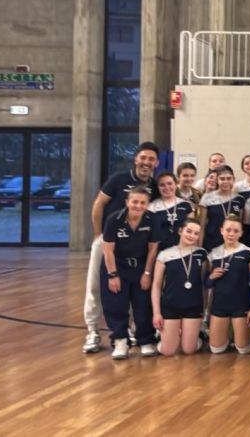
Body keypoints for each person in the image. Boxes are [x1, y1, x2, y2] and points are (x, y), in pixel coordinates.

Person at [83, 141, 159, 354]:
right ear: (136, 159)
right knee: (96, 287)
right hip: (108, 242)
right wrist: (98, 235)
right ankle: (92, 331)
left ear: (156, 163)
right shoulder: (118, 179)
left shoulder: (154, 187)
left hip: (134, 246)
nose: (146, 162)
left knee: (134, 292)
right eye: (143, 158)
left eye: (151, 159)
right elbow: (98, 204)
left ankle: (132, 333)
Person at [100, 185, 160, 359]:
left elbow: (153, 249)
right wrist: (113, 275)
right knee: (116, 303)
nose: (138, 206)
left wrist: (147, 273)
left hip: (141, 266)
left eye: (142, 203)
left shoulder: (152, 219)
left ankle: (145, 340)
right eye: (134, 202)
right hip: (117, 266)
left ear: (147, 204)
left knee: (143, 304)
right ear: (127, 202)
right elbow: (108, 250)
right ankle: (120, 340)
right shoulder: (114, 219)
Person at [151, 217, 206, 356]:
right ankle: (165, 336)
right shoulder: (165, 254)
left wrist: (205, 310)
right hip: (170, 305)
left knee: (188, 350)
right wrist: (157, 313)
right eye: (189, 231)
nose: (192, 235)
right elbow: (156, 286)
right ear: (180, 231)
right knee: (168, 352)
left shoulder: (202, 254)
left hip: (193, 306)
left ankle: (195, 335)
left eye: (196, 233)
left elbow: (204, 284)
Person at [207, 215, 250, 354]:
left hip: (241, 305)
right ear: (221, 230)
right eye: (228, 230)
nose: (231, 234)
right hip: (220, 304)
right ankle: (228, 338)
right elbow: (206, 284)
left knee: (243, 349)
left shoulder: (249, 252)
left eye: (236, 231)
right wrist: (211, 277)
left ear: (241, 233)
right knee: (216, 349)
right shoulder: (213, 253)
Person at [199, 165, 245, 252]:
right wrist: (199, 248)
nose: (225, 182)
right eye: (222, 179)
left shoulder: (240, 199)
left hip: (232, 245)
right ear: (217, 180)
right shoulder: (207, 198)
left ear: (233, 179)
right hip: (211, 244)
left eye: (229, 178)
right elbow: (202, 226)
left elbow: (240, 225)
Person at [148, 170, 195, 252]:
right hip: (160, 252)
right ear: (158, 187)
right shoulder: (151, 207)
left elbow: (192, 230)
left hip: (182, 251)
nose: (166, 187)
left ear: (176, 184)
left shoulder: (185, 205)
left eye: (169, 183)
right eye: (162, 185)